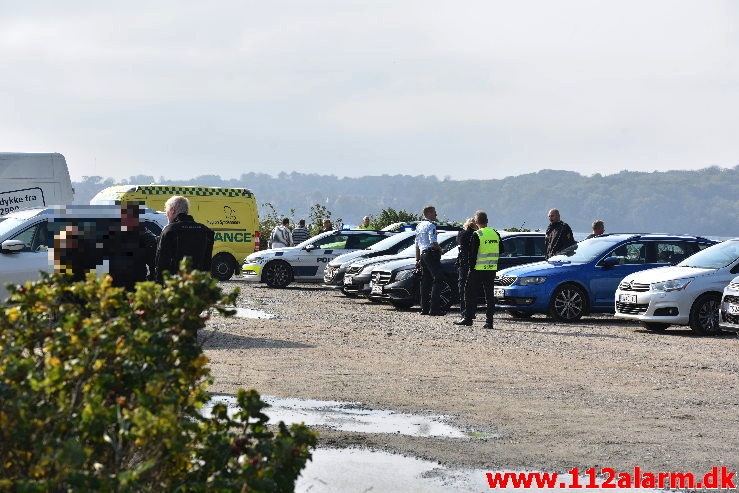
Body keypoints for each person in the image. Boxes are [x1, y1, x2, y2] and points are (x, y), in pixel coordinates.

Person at [454, 211, 502, 329]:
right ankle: (489, 322)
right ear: (487, 221)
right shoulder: (495, 233)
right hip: (491, 269)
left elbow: (473, 254)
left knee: (468, 292)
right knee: (489, 295)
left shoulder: (477, 234)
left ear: (476, 222)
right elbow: (501, 249)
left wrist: (471, 268)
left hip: (477, 269)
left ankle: (468, 318)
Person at [155, 195, 215, 282]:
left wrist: (159, 286)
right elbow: (207, 263)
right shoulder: (205, 231)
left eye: (166, 211)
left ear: (172, 210)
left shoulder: (169, 231)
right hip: (197, 284)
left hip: (175, 285)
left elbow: (161, 263)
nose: (166, 215)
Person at [107, 202, 158, 291]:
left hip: (136, 287)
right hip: (115, 288)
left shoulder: (146, 237)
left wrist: (148, 286)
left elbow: (154, 266)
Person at [415, 205, 444, 316]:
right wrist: (441, 250)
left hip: (423, 254)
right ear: (428, 213)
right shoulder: (431, 226)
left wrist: (417, 259)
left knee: (425, 281)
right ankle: (434, 308)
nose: (436, 214)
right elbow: (433, 242)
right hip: (431, 254)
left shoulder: (419, 226)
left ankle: (424, 308)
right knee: (438, 278)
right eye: (434, 212)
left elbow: (417, 244)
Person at [456, 218, 478, 318]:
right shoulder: (476, 235)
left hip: (463, 263)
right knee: (472, 289)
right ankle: (472, 312)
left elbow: (459, 243)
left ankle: (464, 311)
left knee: (463, 289)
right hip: (473, 264)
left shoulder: (461, 234)